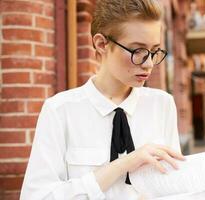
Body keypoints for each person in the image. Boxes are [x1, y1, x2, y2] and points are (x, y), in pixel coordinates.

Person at [20, 0, 185, 199]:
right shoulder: (59, 111)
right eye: (137, 51)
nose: (149, 64)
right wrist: (123, 165)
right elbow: (37, 196)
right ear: (101, 44)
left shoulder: (162, 105)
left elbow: (174, 186)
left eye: (154, 51)